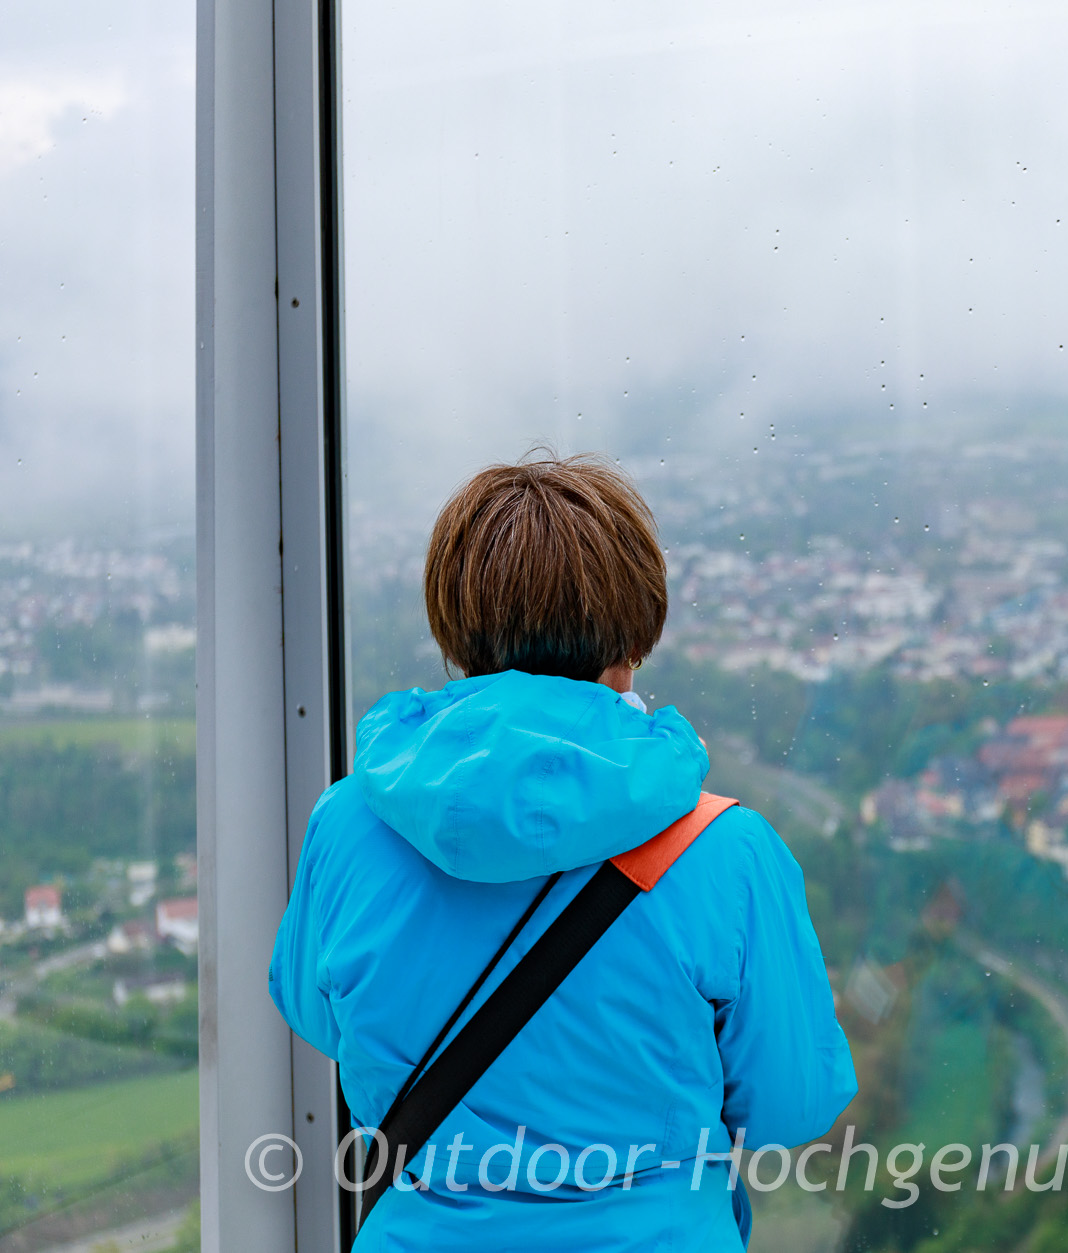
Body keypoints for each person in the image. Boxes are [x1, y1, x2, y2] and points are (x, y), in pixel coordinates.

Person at [270, 454, 856, 1250]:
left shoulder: (346, 824)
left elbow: (314, 1010)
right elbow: (791, 1099)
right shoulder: (727, 852)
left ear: (455, 627)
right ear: (634, 634)